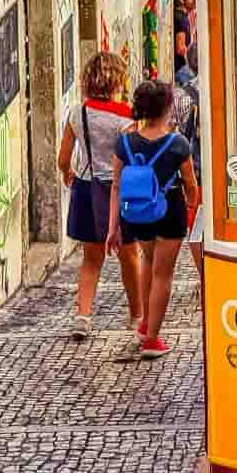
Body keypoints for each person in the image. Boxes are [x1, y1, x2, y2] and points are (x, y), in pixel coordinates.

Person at [108, 81, 199, 359]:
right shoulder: (177, 144)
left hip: (136, 213)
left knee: (148, 262)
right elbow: (190, 184)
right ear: (167, 107)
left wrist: (113, 227)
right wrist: (193, 204)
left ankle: (145, 323)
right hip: (169, 209)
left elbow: (115, 185)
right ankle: (152, 340)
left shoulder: (124, 142)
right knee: (163, 275)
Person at [57, 53, 144, 338]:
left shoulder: (76, 113)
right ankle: (136, 316)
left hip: (86, 188)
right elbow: (135, 158)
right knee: (129, 256)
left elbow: (64, 157)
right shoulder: (127, 118)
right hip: (120, 192)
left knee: (91, 258)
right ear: (116, 81)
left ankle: (83, 317)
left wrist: (68, 174)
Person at [173, 56, 204, 288]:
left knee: (196, 226)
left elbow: (176, 132)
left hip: (195, 168)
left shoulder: (182, 96)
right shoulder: (229, 82)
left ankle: (203, 275)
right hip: (225, 168)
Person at [174, 0, 198, 85]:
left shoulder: (182, 17)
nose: (194, 0)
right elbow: (180, 49)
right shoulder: (181, 19)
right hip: (181, 69)